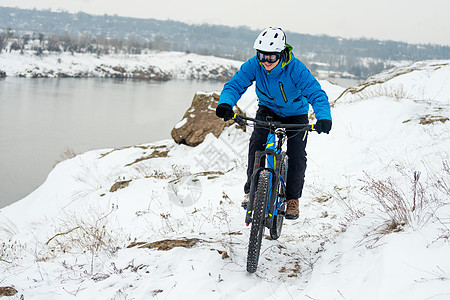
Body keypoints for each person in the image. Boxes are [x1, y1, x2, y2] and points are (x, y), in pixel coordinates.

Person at [216, 27, 332, 220]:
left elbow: (316, 93)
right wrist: (225, 104)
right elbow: (235, 84)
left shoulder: (296, 69)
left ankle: (292, 199)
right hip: (268, 110)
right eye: (262, 56)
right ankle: (251, 190)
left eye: (271, 57)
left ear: (282, 53)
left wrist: (324, 117)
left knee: (297, 154)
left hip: (296, 114)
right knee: (256, 145)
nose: (266, 62)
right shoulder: (255, 65)